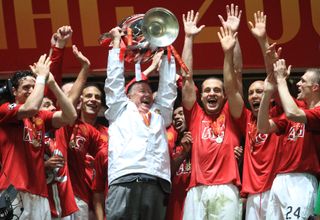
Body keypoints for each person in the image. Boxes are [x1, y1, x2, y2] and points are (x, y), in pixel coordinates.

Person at [104, 26, 177, 220]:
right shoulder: (120, 109)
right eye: (140, 91)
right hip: (125, 178)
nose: (146, 94)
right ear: (128, 96)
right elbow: (114, 82)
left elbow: (168, 90)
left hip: (156, 180)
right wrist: (116, 47)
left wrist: (167, 49)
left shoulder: (160, 114)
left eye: (148, 90)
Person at [181, 6, 243, 220]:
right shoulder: (195, 115)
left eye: (217, 89)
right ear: (201, 96)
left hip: (226, 188)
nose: (212, 93)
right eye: (207, 90)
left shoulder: (232, 114)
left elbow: (236, 76)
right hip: (197, 189)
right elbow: (186, 78)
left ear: (224, 96)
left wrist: (233, 39)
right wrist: (188, 37)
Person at [222, 10, 283, 219]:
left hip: (277, 190)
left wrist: (262, 39)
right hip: (253, 195)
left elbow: (274, 76)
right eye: (251, 93)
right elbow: (233, 84)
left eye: (260, 91)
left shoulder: (279, 115)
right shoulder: (247, 118)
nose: (255, 95)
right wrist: (230, 46)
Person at [0, 54, 77, 219]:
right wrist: (40, 77)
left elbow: (70, 116)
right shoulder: (5, 109)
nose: (31, 91)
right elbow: (31, 107)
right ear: (14, 91)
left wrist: (52, 84)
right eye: (26, 87)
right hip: (11, 190)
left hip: (40, 192)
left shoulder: (40, 116)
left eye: (33, 87)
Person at [257, 61, 320, 219]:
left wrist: (281, 80)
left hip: (302, 180)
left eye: (303, 81)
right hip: (280, 179)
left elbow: (293, 113)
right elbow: (263, 127)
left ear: (315, 87)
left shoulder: (316, 111)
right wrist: (266, 94)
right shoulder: (298, 108)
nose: (298, 83)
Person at [165, 105, 192, 220]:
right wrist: (183, 153)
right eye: (174, 116)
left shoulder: (200, 141)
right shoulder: (171, 147)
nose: (176, 117)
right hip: (174, 204)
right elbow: (167, 173)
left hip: (193, 202)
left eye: (181, 113)